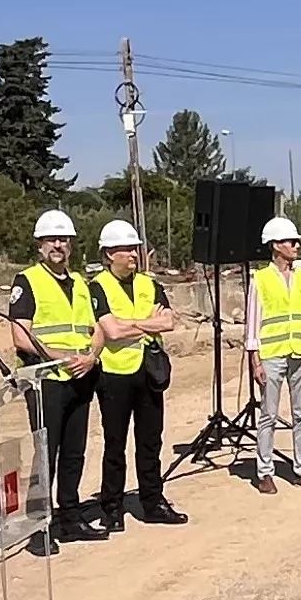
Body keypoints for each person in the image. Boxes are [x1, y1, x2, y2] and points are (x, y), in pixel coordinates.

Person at [7, 208, 104, 549]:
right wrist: (61, 358)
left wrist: (91, 356)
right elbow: (21, 337)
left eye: (63, 239)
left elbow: (97, 329)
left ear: (72, 245)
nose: (58, 245)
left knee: (75, 451)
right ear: (39, 245)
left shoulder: (80, 283)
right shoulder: (28, 281)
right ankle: (38, 528)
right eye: (51, 239)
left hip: (80, 377)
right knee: (45, 453)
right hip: (45, 380)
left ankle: (70, 517)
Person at [88, 219, 186, 530]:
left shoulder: (150, 284)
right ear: (108, 254)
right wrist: (146, 322)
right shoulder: (97, 287)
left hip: (149, 371)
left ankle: (153, 501)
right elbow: (111, 332)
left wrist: (131, 324)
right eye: (126, 249)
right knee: (114, 443)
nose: (134, 254)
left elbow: (168, 322)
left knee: (150, 441)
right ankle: (112, 508)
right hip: (114, 375)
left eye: (135, 248)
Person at [246, 214, 301, 494]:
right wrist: (255, 360)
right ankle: (265, 472)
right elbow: (253, 322)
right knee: (268, 414)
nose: (296, 246)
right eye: (291, 241)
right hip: (272, 355)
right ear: (276, 245)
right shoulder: (261, 279)